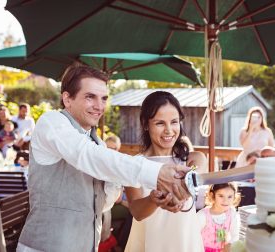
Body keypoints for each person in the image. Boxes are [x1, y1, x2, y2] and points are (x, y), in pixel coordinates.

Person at [17, 64, 191, 252]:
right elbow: (85, 155)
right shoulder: (51, 123)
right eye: (90, 97)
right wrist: (156, 172)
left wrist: (150, 195)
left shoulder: (97, 142)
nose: (99, 106)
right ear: (67, 99)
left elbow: (103, 202)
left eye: (104, 98)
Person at [125, 91, 206, 252]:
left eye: (174, 122)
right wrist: (153, 200)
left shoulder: (193, 159)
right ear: (146, 124)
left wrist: (186, 183)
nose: (169, 130)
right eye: (160, 123)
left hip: (186, 243)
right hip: (149, 243)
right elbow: (137, 212)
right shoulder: (134, 164)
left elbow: (196, 172)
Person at [197, 183, 241, 252]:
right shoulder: (203, 215)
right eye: (221, 196)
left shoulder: (232, 213)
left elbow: (235, 235)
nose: (225, 201)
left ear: (234, 197)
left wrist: (230, 245)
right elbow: (193, 236)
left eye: (229, 196)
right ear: (212, 196)